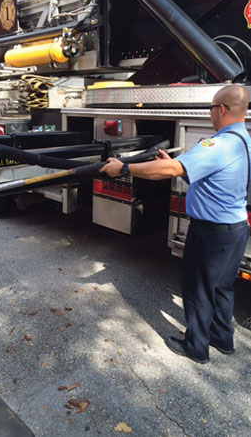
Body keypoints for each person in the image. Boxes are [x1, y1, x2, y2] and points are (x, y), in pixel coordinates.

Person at [99, 84, 250, 364]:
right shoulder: (243, 140)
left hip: (211, 232)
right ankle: (222, 338)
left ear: (221, 109)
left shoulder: (218, 143)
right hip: (235, 229)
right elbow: (212, 177)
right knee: (222, 287)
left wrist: (123, 168)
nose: (210, 115)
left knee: (198, 289)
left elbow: (169, 171)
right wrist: (177, 163)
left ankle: (196, 347)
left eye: (211, 109)